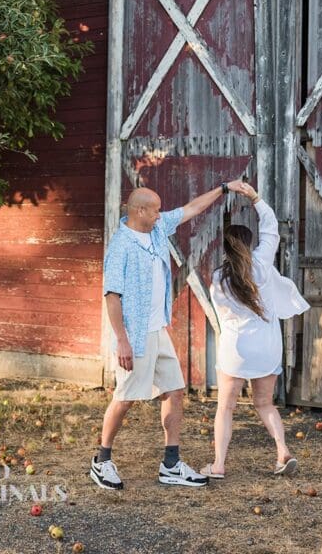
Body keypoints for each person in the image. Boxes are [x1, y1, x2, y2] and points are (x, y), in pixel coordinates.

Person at [89, 178, 253, 491]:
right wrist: (121, 339)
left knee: (174, 391)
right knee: (125, 398)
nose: (161, 215)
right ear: (139, 211)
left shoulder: (158, 231)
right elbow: (112, 296)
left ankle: (171, 463)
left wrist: (223, 188)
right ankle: (101, 460)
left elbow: (191, 209)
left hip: (157, 330)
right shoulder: (121, 247)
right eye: (156, 211)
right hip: (134, 336)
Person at [201, 180, 310, 480]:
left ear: (224, 249)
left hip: (236, 349)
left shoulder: (219, 278)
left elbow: (222, 315)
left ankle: (219, 465)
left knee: (226, 407)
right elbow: (271, 227)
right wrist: (255, 197)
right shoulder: (261, 264)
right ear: (249, 245)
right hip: (267, 346)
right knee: (265, 404)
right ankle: (282, 451)